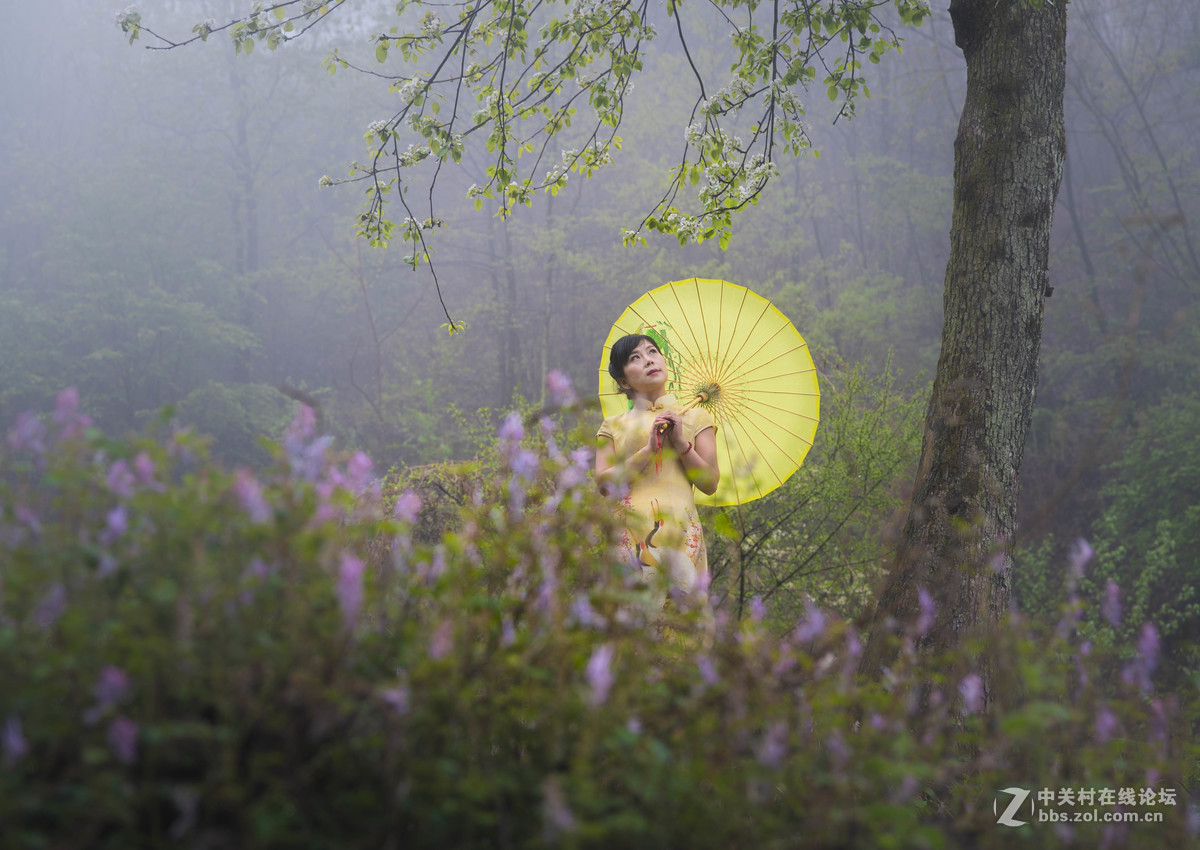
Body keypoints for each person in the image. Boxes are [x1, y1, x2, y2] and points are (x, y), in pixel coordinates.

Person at [595, 333, 720, 612]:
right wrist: (649, 450)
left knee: (683, 623)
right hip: (629, 534)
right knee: (634, 626)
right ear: (623, 381)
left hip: (681, 534)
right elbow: (603, 483)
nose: (648, 359)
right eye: (635, 358)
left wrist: (679, 443)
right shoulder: (613, 425)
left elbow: (710, 482)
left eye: (652, 351)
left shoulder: (695, 417)